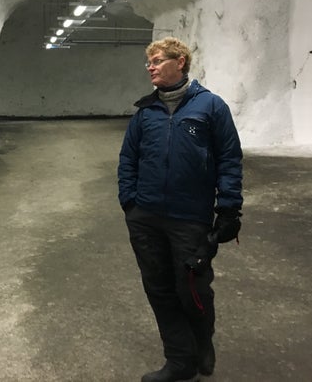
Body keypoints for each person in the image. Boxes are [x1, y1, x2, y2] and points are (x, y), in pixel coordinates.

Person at [118, 37, 243, 382]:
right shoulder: (146, 112)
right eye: (149, 63)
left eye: (157, 61)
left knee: (193, 290)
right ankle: (180, 361)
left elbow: (229, 159)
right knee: (159, 289)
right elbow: (128, 157)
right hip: (146, 217)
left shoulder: (210, 107)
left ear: (181, 62)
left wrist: (229, 209)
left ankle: (202, 342)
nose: (151, 68)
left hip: (190, 217)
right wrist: (129, 201)